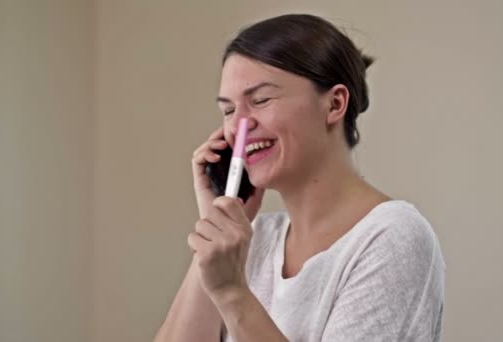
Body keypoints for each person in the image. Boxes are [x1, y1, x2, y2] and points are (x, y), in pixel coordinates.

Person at [154, 14, 446, 342]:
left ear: (335, 104)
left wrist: (233, 293)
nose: (238, 126)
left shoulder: (392, 237)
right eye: (228, 110)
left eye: (261, 100)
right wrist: (214, 228)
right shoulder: (252, 240)